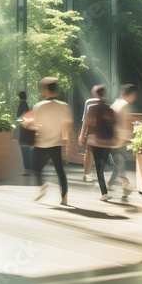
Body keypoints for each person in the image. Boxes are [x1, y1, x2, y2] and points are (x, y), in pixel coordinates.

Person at [26, 77, 73, 206]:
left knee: (36, 169)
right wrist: (68, 143)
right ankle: (64, 197)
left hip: (41, 143)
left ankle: (42, 186)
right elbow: (67, 126)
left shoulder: (39, 106)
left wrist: (27, 124)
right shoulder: (64, 107)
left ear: (46, 90)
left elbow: (33, 125)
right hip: (57, 143)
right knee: (60, 171)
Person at [82, 92, 118, 201]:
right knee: (111, 164)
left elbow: (87, 122)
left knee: (99, 168)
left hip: (96, 141)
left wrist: (82, 135)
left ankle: (104, 193)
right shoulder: (110, 108)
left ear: (95, 94)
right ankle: (112, 183)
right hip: (108, 141)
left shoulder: (92, 107)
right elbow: (115, 125)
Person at [108, 84, 138, 199]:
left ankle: (113, 184)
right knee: (120, 162)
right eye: (134, 94)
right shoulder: (124, 104)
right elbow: (122, 122)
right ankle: (126, 185)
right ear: (130, 94)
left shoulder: (116, 103)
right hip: (118, 139)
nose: (134, 97)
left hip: (113, 138)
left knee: (118, 162)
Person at [77, 84, 106, 182]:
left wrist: (82, 134)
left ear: (94, 93)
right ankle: (95, 172)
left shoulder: (89, 102)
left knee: (88, 152)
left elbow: (85, 119)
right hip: (102, 132)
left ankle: (86, 173)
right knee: (99, 153)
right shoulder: (107, 104)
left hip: (91, 131)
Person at [16, 91, 33, 176]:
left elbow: (18, 116)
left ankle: (27, 169)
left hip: (24, 130)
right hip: (28, 130)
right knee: (28, 149)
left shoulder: (21, 104)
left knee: (25, 150)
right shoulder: (26, 104)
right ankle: (29, 168)